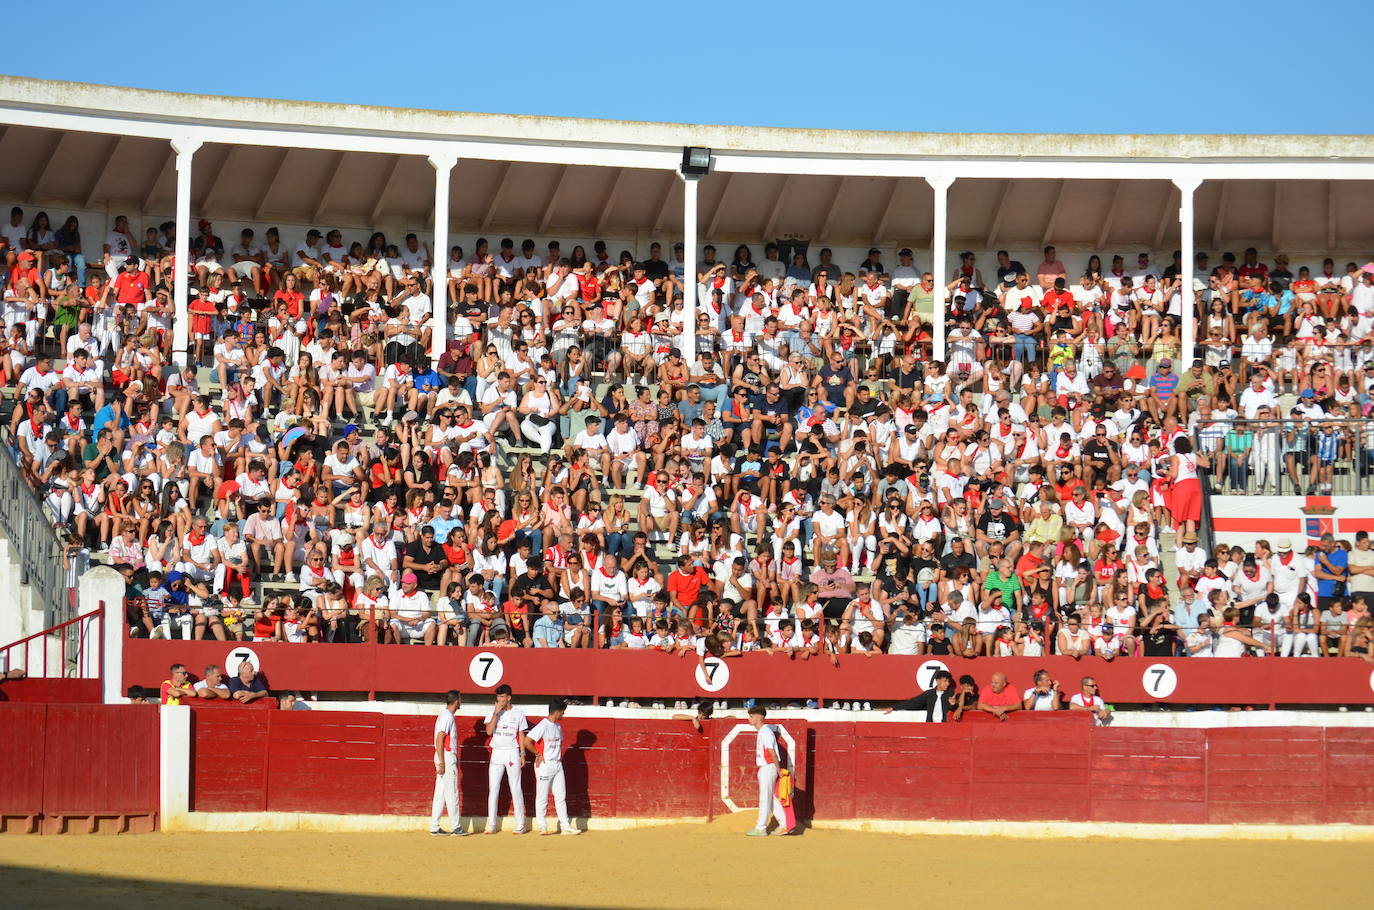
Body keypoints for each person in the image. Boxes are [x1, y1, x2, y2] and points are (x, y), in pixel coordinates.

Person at [523, 698, 580, 835]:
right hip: (545, 764)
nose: (563, 715)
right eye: (563, 712)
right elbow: (527, 741)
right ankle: (542, 826)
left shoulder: (558, 727)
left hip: (557, 764)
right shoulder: (543, 725)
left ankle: (565, 826)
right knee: (542, 796)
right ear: (558, 711)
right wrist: (538, 754)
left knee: (560, 796)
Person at [483, 683, 528, 834]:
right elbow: (489, 732)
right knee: (493, 788)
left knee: (515, 787)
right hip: (497, 752)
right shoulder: (493, 712)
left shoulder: (518, 713)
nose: (500, 699)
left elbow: (521, 735)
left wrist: (522, 754)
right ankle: (491, 825)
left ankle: (520, 824)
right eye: (498, 697)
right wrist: (496, 713)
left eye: (502, 697)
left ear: (509, 697)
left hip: (512, 752)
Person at [744, 705, 793, 836]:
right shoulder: (763, 732)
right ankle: (785, 824)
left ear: (759, 718)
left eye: (751, 716)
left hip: (768, 766)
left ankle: (761, 827)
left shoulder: (765, 732)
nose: (749, 719)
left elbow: (771, 752)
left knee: (765, 798)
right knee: (770, 798)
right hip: (767, 767)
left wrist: (778, 769)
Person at [431, 689, 467, 836]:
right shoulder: (448, 717)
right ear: (457, 701)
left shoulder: (444, 715)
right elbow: (440, 738)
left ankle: (435, 826)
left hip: (441, 755)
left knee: (440, 793)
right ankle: (456, 827)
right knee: (452, 792)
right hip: (445, 756)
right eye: (460, 699)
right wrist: (442, 761)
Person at [882, 669, 961, 722]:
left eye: (948, 681)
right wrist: (894, 707)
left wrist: (953, 705)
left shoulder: (950, 693)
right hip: (930, 726)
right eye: (945, 681)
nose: (948, 683)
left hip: (945, 726)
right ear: (937, 681)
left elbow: (953, 709)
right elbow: (913, 702)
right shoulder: (929, 694)